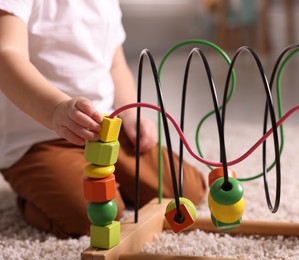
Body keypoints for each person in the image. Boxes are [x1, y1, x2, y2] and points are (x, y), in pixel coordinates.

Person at [0, 1, 206, 238]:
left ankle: (111, 185)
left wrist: (130, 114)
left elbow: (115, 66)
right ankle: (31, 198)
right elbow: (6, 54)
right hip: (39, 142)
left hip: (106, 132)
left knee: (187, 190)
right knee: (95, 216)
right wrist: (55, 110)